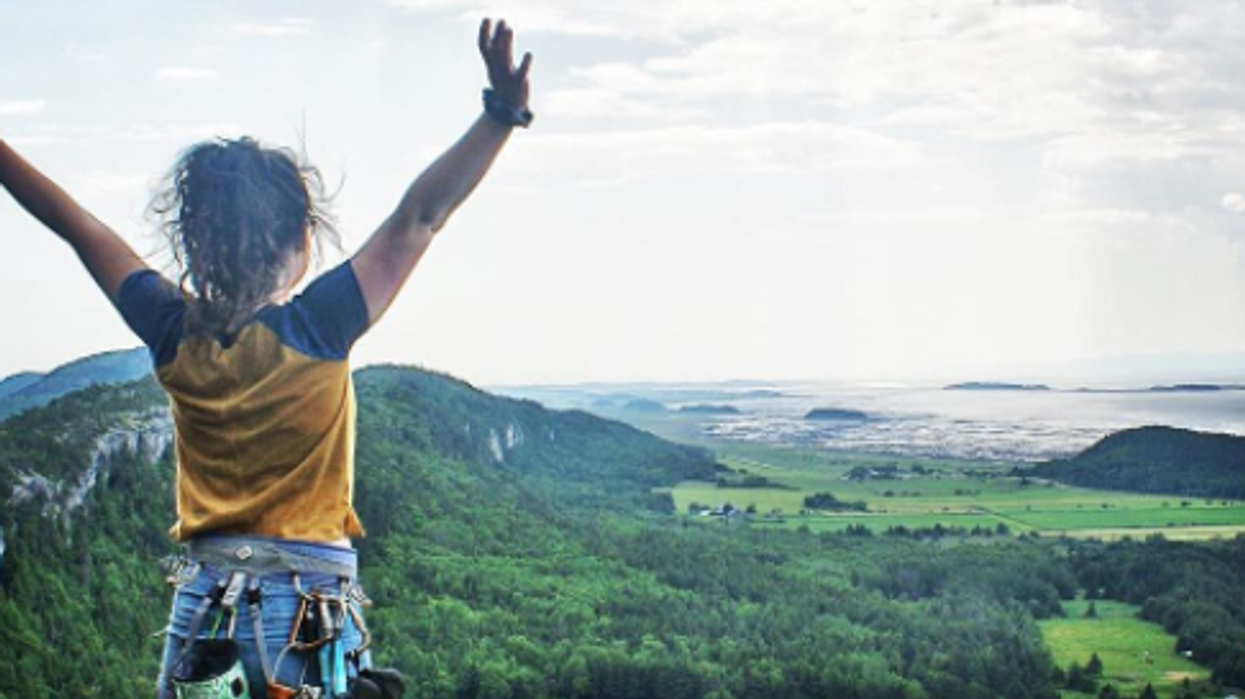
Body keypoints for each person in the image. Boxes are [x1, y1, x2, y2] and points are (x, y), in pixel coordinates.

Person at [0, 17, 532, 699]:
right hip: (305, 612)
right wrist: (500, 115)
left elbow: (79, 228)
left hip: (202, 613)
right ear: (300, 242)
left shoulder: (171, 329)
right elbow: (420, 216)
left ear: (195, 243)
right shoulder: (319, 325)